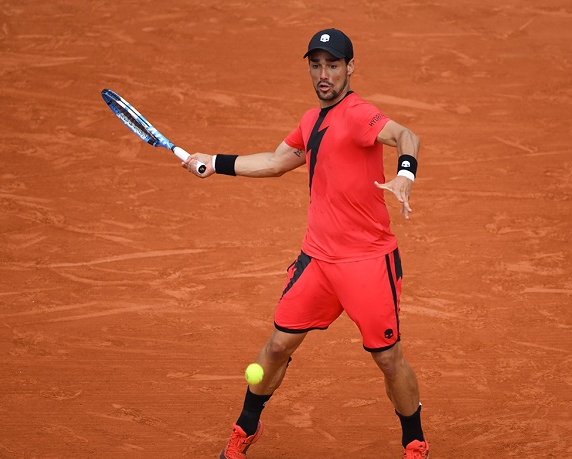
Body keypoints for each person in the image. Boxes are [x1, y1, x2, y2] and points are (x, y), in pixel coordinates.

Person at [183, 28, 428, 459]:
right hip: (318, 261)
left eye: (333, 65)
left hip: (367, 262)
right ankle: (246, 428)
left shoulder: (357, 114)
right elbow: (276, 162)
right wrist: (213, 162)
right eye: (316, 65)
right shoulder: (311, 121)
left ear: (350, 68)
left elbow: (407, 136)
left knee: (389, 359)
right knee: (277, 346)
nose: (323, 74)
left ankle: (415, 441)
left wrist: (405, 174)